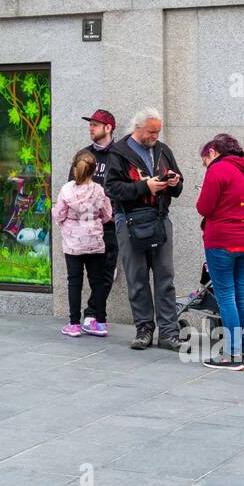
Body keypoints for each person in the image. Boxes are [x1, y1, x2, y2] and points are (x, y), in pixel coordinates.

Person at [104, 108, 184, 351]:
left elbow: (178, 187)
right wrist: (144, 187)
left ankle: (169, 333)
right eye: (151, 131)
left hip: (160, 219)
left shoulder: (163, 150)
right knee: (137, 277)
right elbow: (112, 189)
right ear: (137, 128)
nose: (155, 136)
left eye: (158, 131)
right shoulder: (119, 152)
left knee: (165, 278)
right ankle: (144, 330)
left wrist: (174, 182)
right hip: (129, 221)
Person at [196, 133, 244, 371]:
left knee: (226, 296)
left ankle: (232, 354)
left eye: (204, 159)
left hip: (222, 241)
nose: (205, 164)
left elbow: (203, 207)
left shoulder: (218, 170)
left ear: (213, 152)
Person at [54, 151, 114, 337]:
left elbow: (59, 214)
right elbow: (107, 215)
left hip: (73, 243)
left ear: (74, 169)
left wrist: (66, 221)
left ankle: (74, 324)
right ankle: (101, 322)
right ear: (94, 170)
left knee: (74, 282)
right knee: (97, 281)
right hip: (95, 242)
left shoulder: (66, 190)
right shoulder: (99, 190)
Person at [76, 108, 119, 333]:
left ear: (108, 128)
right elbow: (73, 186)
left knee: (106, 272)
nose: (91, 128)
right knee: (87, 273)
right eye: (90, 124)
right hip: (85, 225)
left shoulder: (120, 155)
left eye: (95, 124)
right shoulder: (84, 155)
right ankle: (91, 315)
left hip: (111, 225)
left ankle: (92, 314)